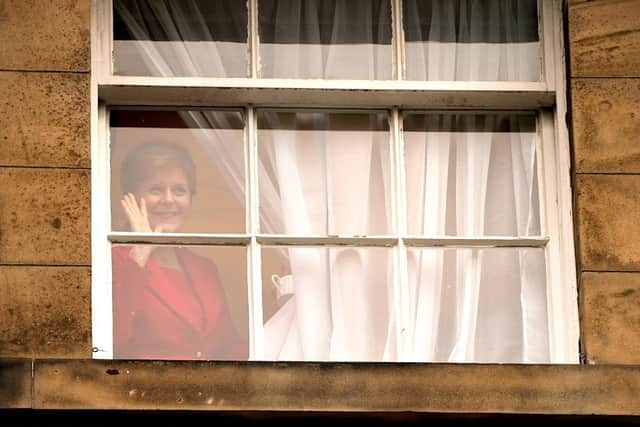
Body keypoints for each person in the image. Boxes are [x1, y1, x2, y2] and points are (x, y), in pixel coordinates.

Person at [112, 141, 247, 360]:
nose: (169, 200)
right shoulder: (115, 258)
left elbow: (228, 346)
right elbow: (113, 339)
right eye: (156, 189)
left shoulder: (203, 267)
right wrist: (140, 251)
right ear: (132, 199)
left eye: (179, 190)